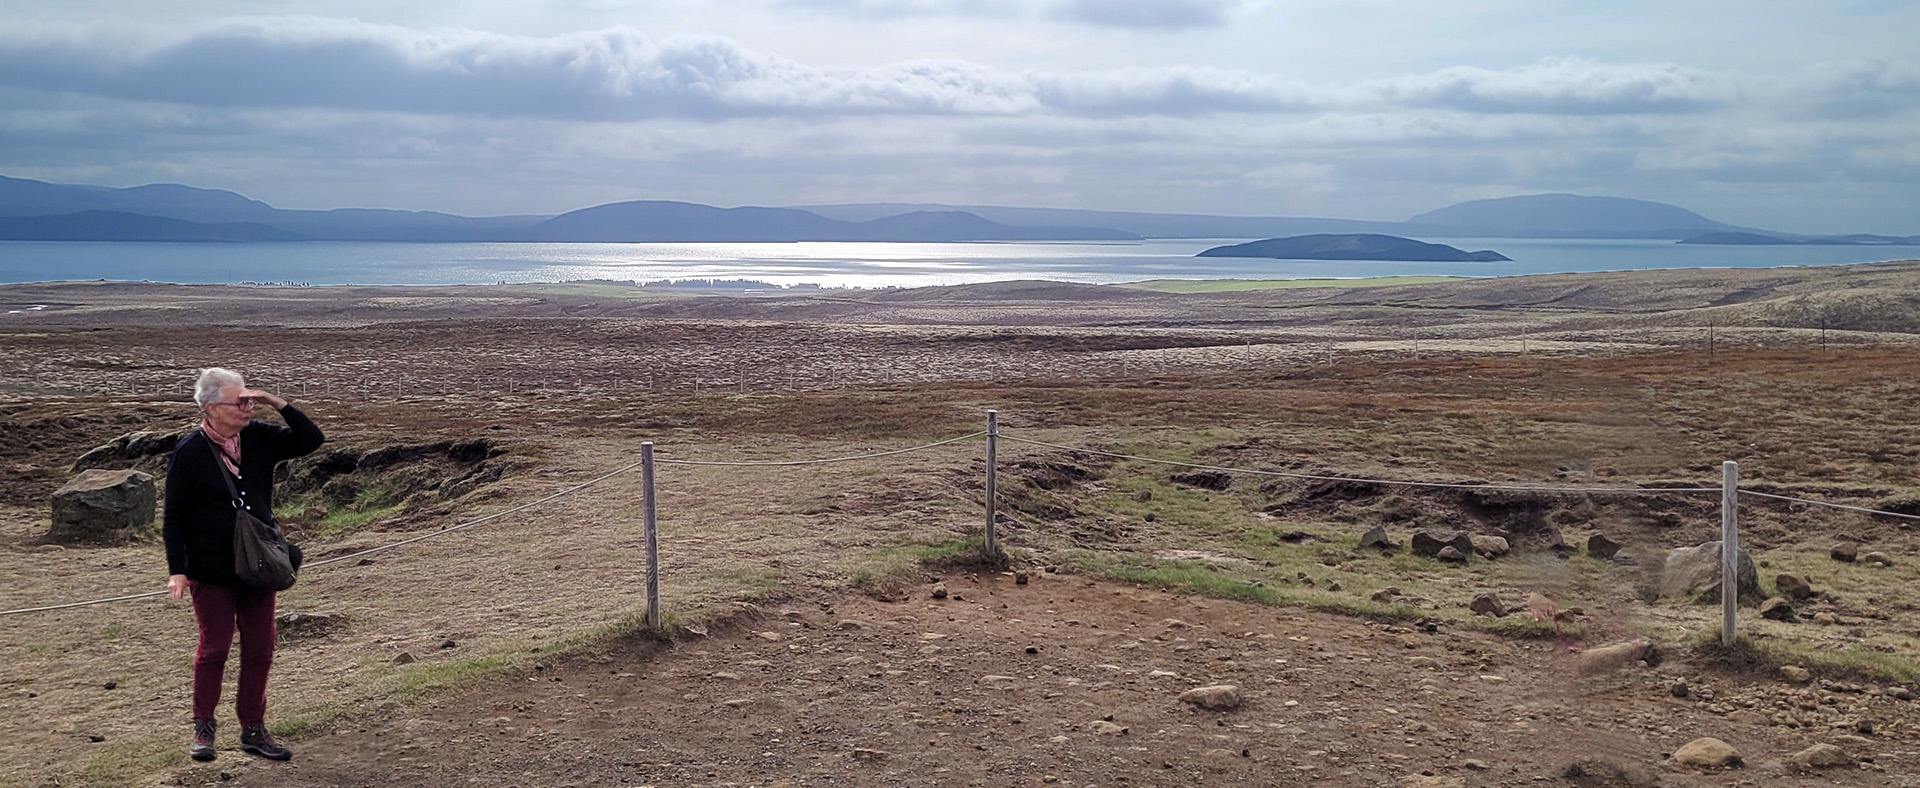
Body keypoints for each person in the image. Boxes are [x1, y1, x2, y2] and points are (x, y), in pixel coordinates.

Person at [163, 367, 324, 762]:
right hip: (210, 569)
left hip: (259, 566)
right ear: (212, 408)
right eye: (241, 402)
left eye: (251, 400)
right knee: (214, 649)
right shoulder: (190, 451)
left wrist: (275, 401)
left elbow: (311, 439)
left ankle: (254, 729)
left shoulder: (258, 438)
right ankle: (204, 729)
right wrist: (177, 570)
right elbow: (173, 515)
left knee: (260, 649)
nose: (248, 407)